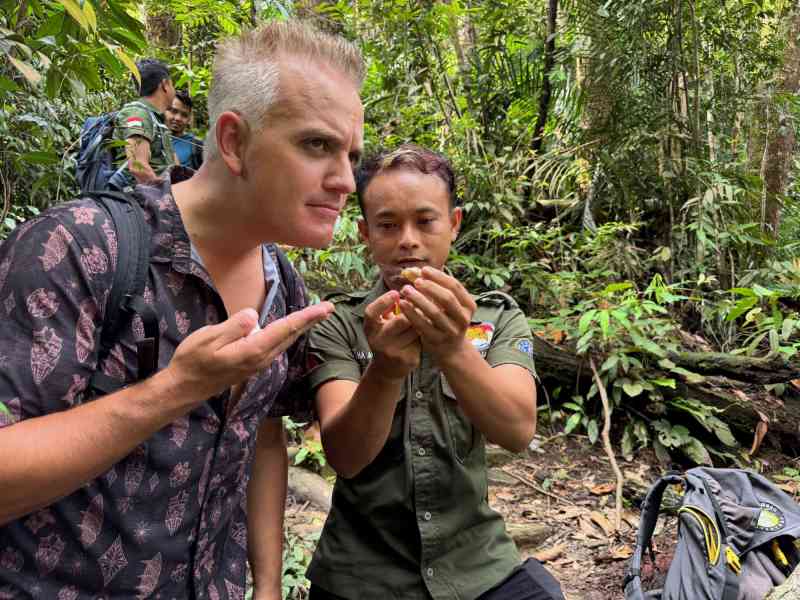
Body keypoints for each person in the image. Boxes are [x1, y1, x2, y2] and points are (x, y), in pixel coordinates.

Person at [0, 20, 364, 600]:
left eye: (351, 155)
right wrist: (175, 389)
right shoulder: (79, 248)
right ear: (233, 142)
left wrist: (268, 585)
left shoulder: (283, 285)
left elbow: (265, 434)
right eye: (317, 145)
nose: (345, 180)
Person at [305, 145, 565, 600]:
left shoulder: (496, 319)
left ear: (454, 224)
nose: (408, 240)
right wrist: (385, 371)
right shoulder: (338, 323)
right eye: (388, 225)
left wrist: (452, 347)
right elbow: (344, 457)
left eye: (426, 221)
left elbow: (517, 431)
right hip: (361, 575)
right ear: (365, 233)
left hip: (477, 564)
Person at [109, 58, 178, 191]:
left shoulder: (156, 119)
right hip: (139, 197)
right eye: (172, 85)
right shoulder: (138, 113)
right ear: (165, 85)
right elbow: (137, 166)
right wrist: (165, 196)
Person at [167, 90, 205, 171]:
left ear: (189, 119)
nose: (178, 118)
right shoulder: (151, 137)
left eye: (184, 115)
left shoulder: (197, 146)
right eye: (174, 111)